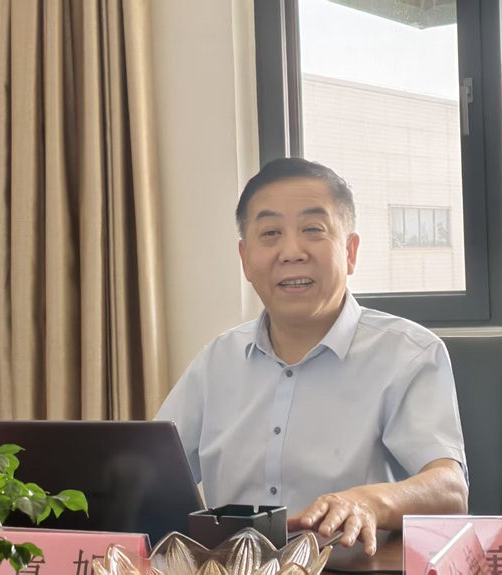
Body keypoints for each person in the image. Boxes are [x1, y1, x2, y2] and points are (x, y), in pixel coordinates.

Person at [155, 157, 468, 555]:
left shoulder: (408, 354)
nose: (291, 251)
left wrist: (370, 502)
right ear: (245, 259)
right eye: (270, 233)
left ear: (350, 251)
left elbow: (450, 489)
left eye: (312, 230)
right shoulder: (217, 360)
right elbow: (150, 475)